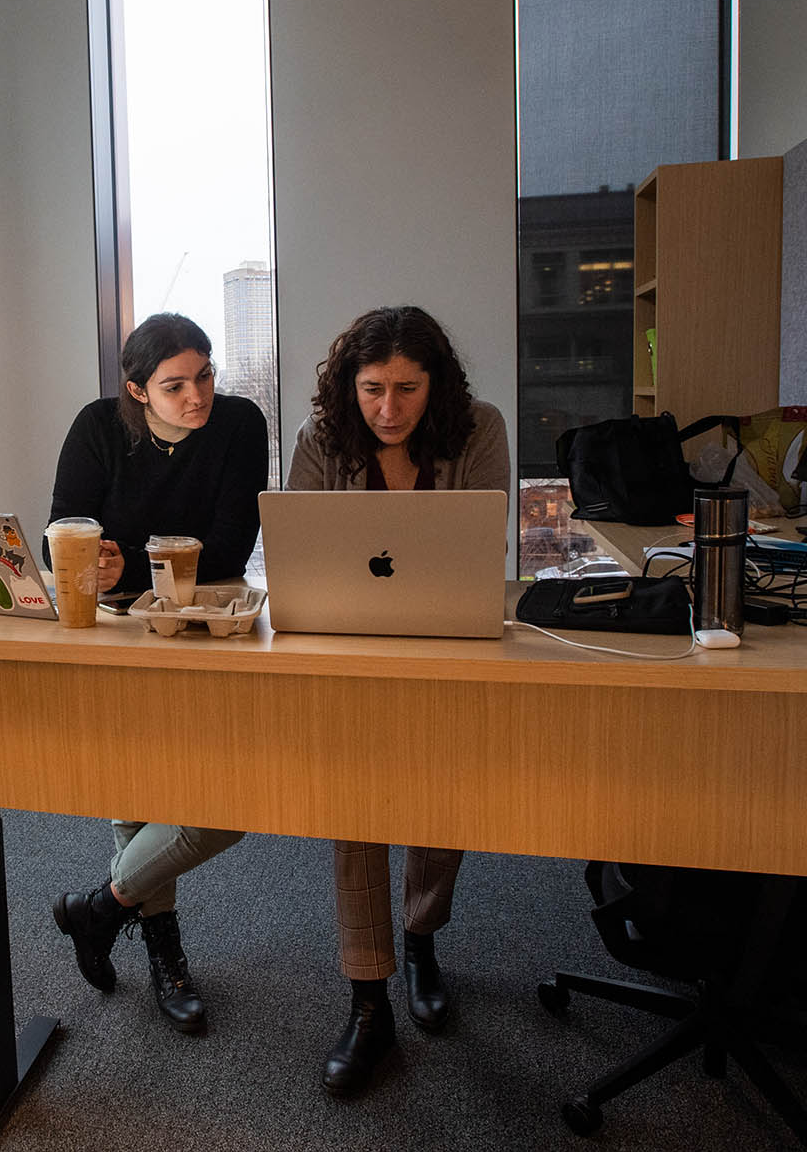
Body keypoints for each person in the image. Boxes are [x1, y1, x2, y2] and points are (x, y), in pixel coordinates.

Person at [285, 305, 509, 1096]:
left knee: (440, 801)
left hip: (447, 645)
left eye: (407, 389)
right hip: (348, 654)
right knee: (356, 810)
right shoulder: (319, 443)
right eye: (373, 388)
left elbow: (482, 551)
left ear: (435, 384)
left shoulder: (478, 427)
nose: (387, 408)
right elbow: (302, 564)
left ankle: (419, 937)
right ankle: (367, 996)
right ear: (349, 385)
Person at [46, 312, 268, 1032]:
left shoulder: (239, 423)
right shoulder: (96, 427)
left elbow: (232, 542)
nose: (197, 395)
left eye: (204, 375)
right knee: (137, 792)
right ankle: (163, 947)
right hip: (119, 629)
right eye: (175, 385)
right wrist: (103, 564)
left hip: (211, 623)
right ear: (137, 389)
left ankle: (102, 907)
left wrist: (124, 562)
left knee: (224, 809)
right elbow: (63, 540)